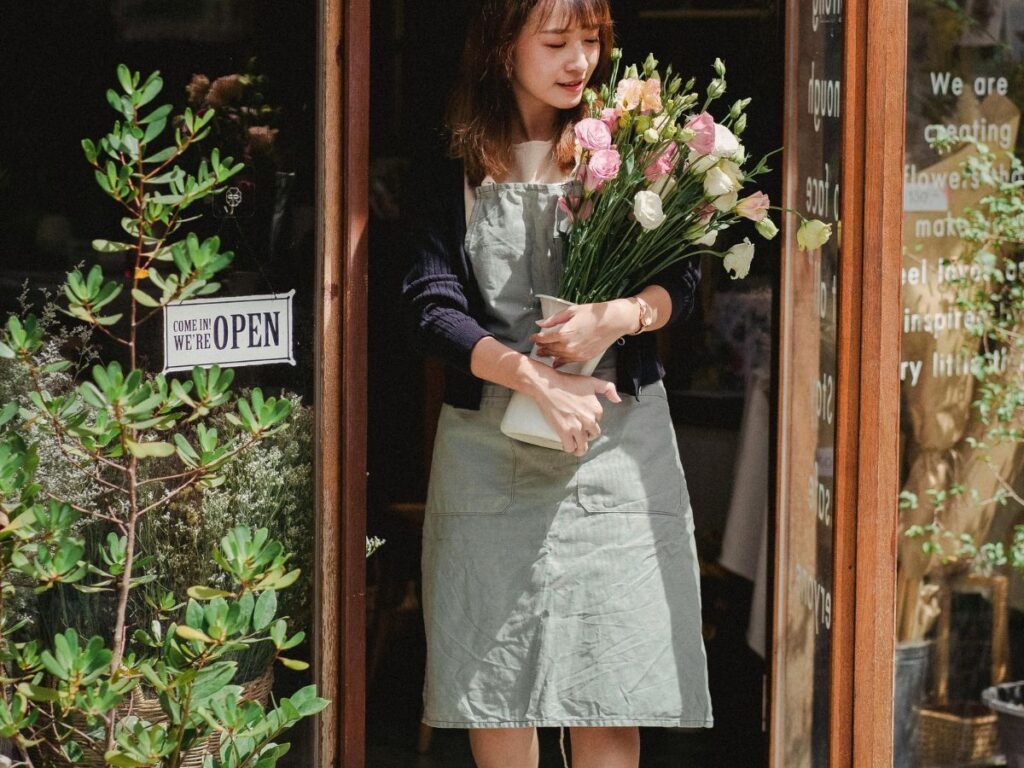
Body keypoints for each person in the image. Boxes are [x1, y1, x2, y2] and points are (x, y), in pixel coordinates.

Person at [401, 1, 713, 765]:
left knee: (611, 693)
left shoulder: (636, 141)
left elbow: (684, 277)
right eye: (556, 42)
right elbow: (428, 303)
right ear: (503, 48)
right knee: (497, 686)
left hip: (616, 450)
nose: (579, 61)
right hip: (489, 450)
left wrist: (617, 316)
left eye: (591, 42)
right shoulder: (452, 158)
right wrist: (529, 376)